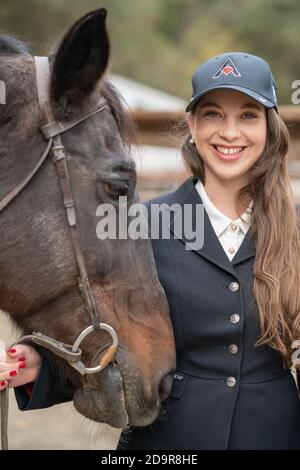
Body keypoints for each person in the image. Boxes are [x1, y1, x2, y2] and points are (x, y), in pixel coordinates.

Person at [1, 51, 300, 449]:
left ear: (269, 126)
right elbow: (105, 329)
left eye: (248, 115)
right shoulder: (135, 223)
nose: (230, 132)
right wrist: (30, 365)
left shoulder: (295, 227)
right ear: (192, 124)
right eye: (212, 114)